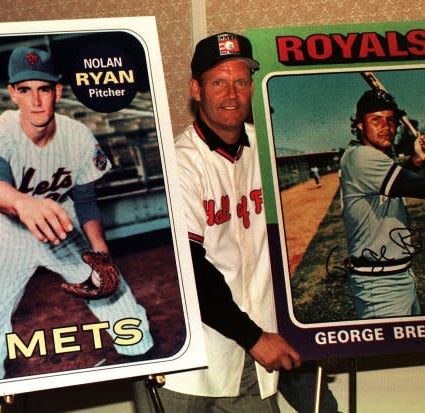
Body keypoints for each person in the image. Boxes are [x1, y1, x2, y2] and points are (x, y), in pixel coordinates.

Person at [0, 47, 153, 380]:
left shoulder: (76, 135)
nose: (35, 100)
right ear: (12, 94)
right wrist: (23, 203)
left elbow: (85, 198)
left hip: (63, 230)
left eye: (44, 89)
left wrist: (100, 250)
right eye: (25, 90)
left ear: (58, 92)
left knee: (118, 301)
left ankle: (148, 370)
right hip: (10, 236)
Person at [134, 32, 301, 413]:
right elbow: (188, 268)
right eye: (218, 82)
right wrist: (254, 337)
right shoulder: (180, 162)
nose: (231, 94)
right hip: (185, 362)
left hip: (251, 356)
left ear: (252, 87)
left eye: (240, 81)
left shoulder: (266, 149)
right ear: (196, 89)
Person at [340, 89, 425, 319]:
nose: (386, 126)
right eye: (376, 120)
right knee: (389, 354)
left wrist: (416, 160)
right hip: (379, 284)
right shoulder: (362, 157)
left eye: (391, 120)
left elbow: (398, 184)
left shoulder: (365, 156)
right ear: (359, 124)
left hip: (397, 275)